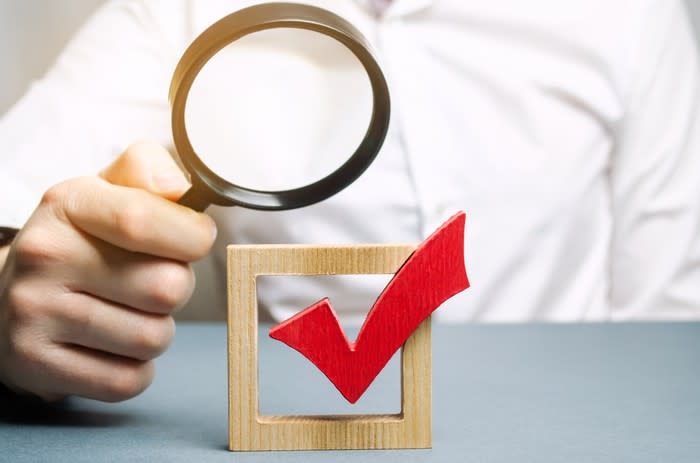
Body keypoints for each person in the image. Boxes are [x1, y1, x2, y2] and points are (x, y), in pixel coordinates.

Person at [1, 0, 699, 402]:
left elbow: (671, 321)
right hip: (306, 421)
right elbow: (14, 217)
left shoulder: (630, 13)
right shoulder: (175, 10)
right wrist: (11, 306)